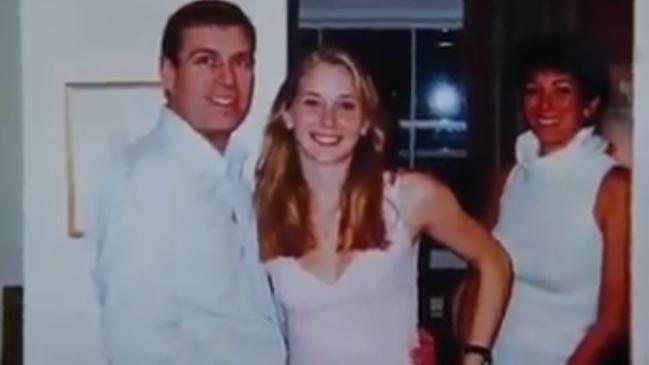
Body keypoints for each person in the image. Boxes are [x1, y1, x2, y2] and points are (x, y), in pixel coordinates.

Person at [254, 46, 512, 365]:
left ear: (365, 122)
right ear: (287, 115)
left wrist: (475, 357)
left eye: (346, 105)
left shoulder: (409, 196)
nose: (328, 120)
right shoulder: (262, 210)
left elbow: (494, 261)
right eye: (312, 102)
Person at [90, 1, 286, 364]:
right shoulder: (149, 180)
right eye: (206, 60)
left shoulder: (231, 177)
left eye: (241, 62)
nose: (227, 78)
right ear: (168, 73)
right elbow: (136, 345)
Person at [480, 35, 630, 365]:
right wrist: (474, 355)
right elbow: (478, 280)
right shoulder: (507, 179)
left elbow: (612, 321)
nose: (545, 105)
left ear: (589, 105)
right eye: (534, 91)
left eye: (562, 90)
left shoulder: (613, 187)